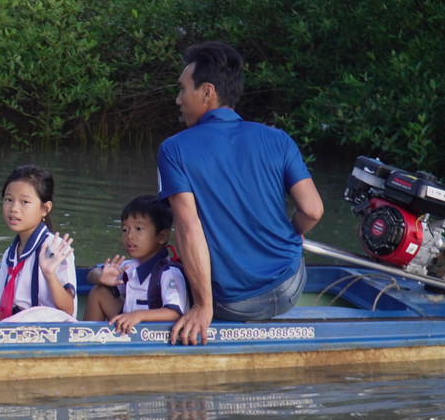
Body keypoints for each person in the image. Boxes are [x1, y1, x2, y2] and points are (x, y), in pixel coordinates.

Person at [157, 42, 324, 345]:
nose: (178, 99)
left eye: (182, 90)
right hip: (289, 286)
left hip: (232, 304)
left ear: (207, 92)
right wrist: (293, 232)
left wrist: (202, 306)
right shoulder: (278, 139)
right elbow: (313, 210)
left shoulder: (174, 149)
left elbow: (188, 228)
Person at [0, 165, 77, 322]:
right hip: (16, 327)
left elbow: (68, 310)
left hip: (51, 332)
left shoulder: (56, 249)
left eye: (24, 202)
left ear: (45, 208)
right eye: (8, 199)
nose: (14, 208)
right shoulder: (10, 254)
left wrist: (49, 274)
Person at [84, 194, 188, 332]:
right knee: (99, 292)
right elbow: (91, 274)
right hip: (129, 327)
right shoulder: (130, 266)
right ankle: (86, 339)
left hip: (153, 335)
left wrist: (139, 315)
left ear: (162, 236)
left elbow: (175, 313)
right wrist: (101, 277)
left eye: (138, 229)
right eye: (125, 230)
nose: (129, 236)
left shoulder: (169, 273)